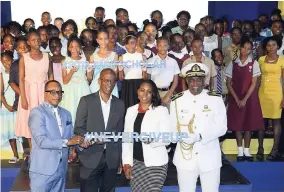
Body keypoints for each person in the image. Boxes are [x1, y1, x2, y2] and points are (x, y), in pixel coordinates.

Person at [170, 63, 227, 192]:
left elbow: (222, 127)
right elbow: (172, 127)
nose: (195, 83)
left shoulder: (215, 99)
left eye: (199, 80)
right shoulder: (177, 100)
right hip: (185, 158)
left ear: (204, 81)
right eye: (191, 80)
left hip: (210, 157)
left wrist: (200, 136)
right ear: (187, 81)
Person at [74, 68, 125, 192]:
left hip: (111, 159)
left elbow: (120, 133)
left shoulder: (120, 104)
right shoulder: (86, 101)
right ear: (99, 81)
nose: (109, 84)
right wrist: (92, 138)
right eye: (106, 80)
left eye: (112, 81)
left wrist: (120, 160)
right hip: (90, 157)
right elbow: (78, 128)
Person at [28, 80, 84, 191]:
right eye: (53, 92)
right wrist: (68, 142)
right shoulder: (37, 113)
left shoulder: (66, 113)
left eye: (59, 92)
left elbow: (70, 136)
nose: (57, 95)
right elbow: (41, 141)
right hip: (42, 171)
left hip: (61, 169)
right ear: (45, 94)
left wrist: (81, 143)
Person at [122, 79, 171, 191]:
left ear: (153, 94)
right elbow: (126, 139)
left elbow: (168, 138)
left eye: (149, 91)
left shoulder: (161, 111)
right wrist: (127, 163)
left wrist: (152, 139)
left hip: (156, 164)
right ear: (137, 92)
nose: (145, 94)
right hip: (136, 164)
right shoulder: (130, 110)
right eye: (142, 90)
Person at [225, 37, 264, 161]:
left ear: (250, 50)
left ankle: (247, 151)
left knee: (248, 124)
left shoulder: (254, 63)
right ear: (240, 48)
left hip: (250, 98)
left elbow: (254, 83)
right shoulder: (233, 63)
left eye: (248, 49)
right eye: (243, 47)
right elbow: (228, 83)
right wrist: (236, 99)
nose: (245, 50)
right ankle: (240, 150)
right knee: (237, 124)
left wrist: (245, 99)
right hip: (236, 96)